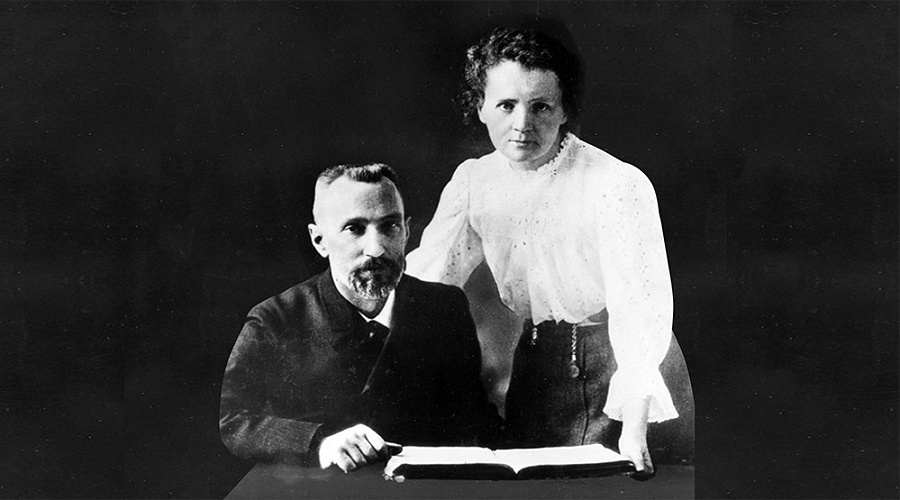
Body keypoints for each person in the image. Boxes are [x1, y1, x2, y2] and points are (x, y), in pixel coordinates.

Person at [406, 26, 692, 479]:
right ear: (480, 107)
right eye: (506, 104)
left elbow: (640, 310)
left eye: (541, 106)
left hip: (621, 372)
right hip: (535, 365)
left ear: (564, 111)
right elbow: (426, 283)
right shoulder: (474, 181)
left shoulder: (615, 184)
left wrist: (634, 427)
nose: (522, 123)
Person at [220, 163, 502, 472]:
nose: (376, 249)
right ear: (319, 240)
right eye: (354, 229)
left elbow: (472, 415)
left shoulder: (444, 307)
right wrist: (319, 443)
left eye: (390, 226)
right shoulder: (276, 319)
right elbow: (233, 421)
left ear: (407, 231)